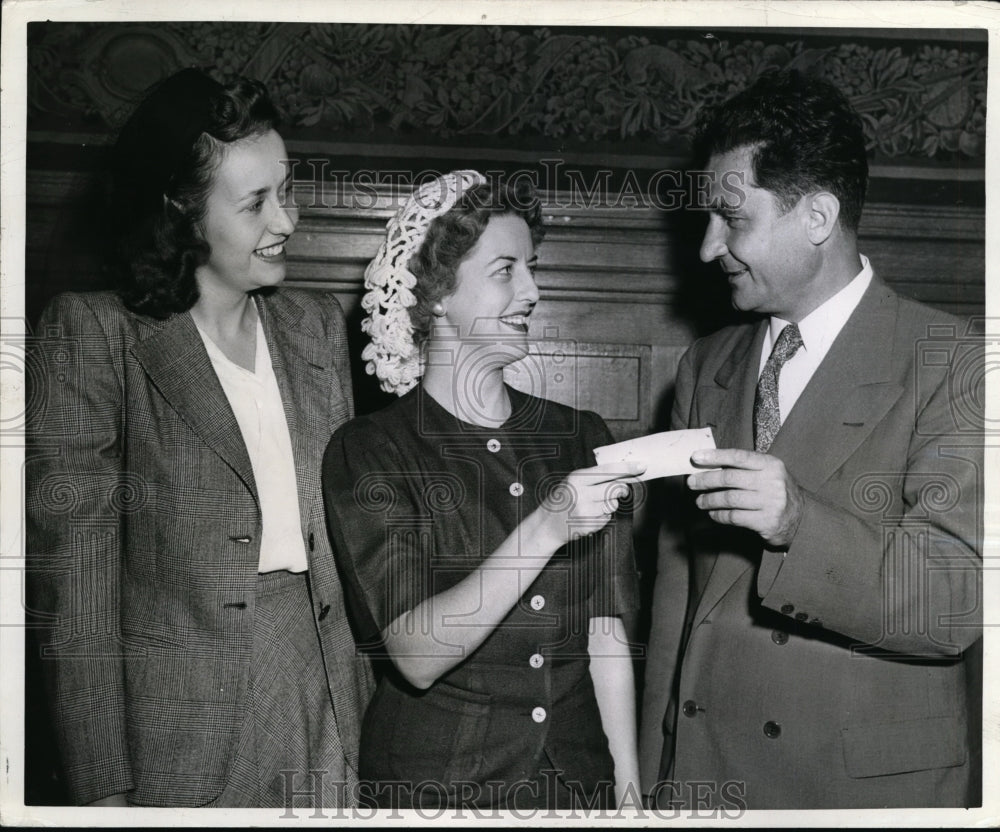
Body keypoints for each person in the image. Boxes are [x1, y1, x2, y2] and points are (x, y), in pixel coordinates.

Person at [26, 68, 372, 808]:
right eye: (255, 204)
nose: (286, 221)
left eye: (287, 189)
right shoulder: (95, 335)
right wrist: (102, 791)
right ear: (180, 213)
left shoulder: (315, 327)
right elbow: (77, 593)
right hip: (183, 735)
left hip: (329, 702)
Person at [639, 69, 983, 810]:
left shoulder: (953, 360)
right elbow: (678, 598)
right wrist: (651, 781)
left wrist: (799, 523)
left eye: (733, 221)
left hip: (854, 794)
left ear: (818, 216)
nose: (707, 248)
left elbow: (954, 602)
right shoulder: (706, 366)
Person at [322, 171, 643, 811]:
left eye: (532, 267)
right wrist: (546, 526)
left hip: (576, 789)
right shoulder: (372, 450)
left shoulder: (580, 436)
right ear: (438, 293)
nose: (531, 290)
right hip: (436, 791)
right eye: (505, 270)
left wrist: (628, 796)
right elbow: (416, 653)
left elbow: (605, 633)